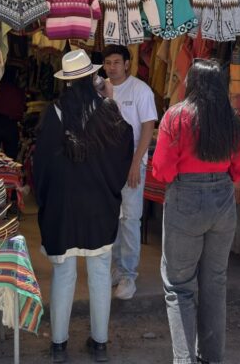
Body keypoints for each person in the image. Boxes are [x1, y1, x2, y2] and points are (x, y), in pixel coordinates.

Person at [34, 49, 133, 363]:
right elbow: (124, 145)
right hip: (98, 204)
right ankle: (100, 343)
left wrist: (46, 203)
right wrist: (111, 97)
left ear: (66, 81)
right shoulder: (106, 109)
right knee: (100, 272)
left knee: (63, 274)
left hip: (65, 207)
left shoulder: (55, 113)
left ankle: (59, 345)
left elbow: (42, 167)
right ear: (93, 77)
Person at [151, 59, 240, 364]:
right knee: (214, 284)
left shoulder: (176, 117)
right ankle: (211, 358)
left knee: (179, 287)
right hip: (222, 200)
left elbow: (162, 171)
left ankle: (184, 360)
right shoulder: (231, 119)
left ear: (191, 83)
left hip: (185, 200)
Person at [101, 44, 158, 301]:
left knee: (130, 220)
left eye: (116, 62)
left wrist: (136, 163)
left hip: (131, 165)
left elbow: (148, 127)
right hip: (106, 166)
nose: (111, 67)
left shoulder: (141, 90)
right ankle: (115, 268)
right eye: (107, 63)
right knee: (109, 218)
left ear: (127, 64)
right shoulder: (100, 89)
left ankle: (128, 275)